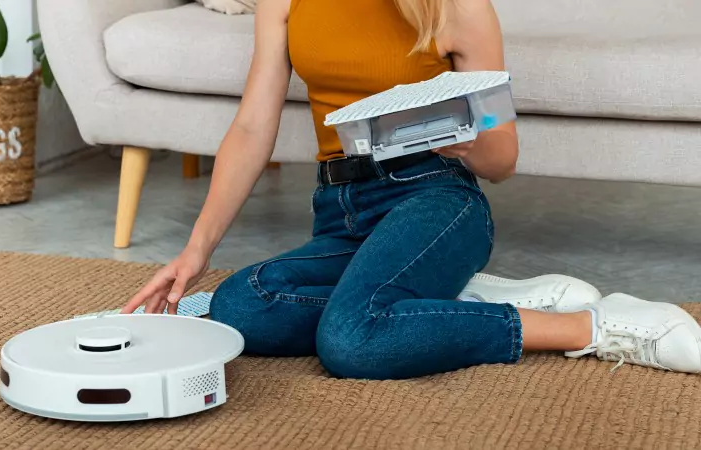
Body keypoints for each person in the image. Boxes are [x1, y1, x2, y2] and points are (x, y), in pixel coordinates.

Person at [122, 0, 701, 379]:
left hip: (435, 199)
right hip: (340, 209)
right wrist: (195, 252)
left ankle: (597, 327)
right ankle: (448, 300)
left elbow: (503, 159)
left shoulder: (455, 7)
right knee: (238, 306)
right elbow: (252, 126)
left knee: (352, 341)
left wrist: (456, 135)